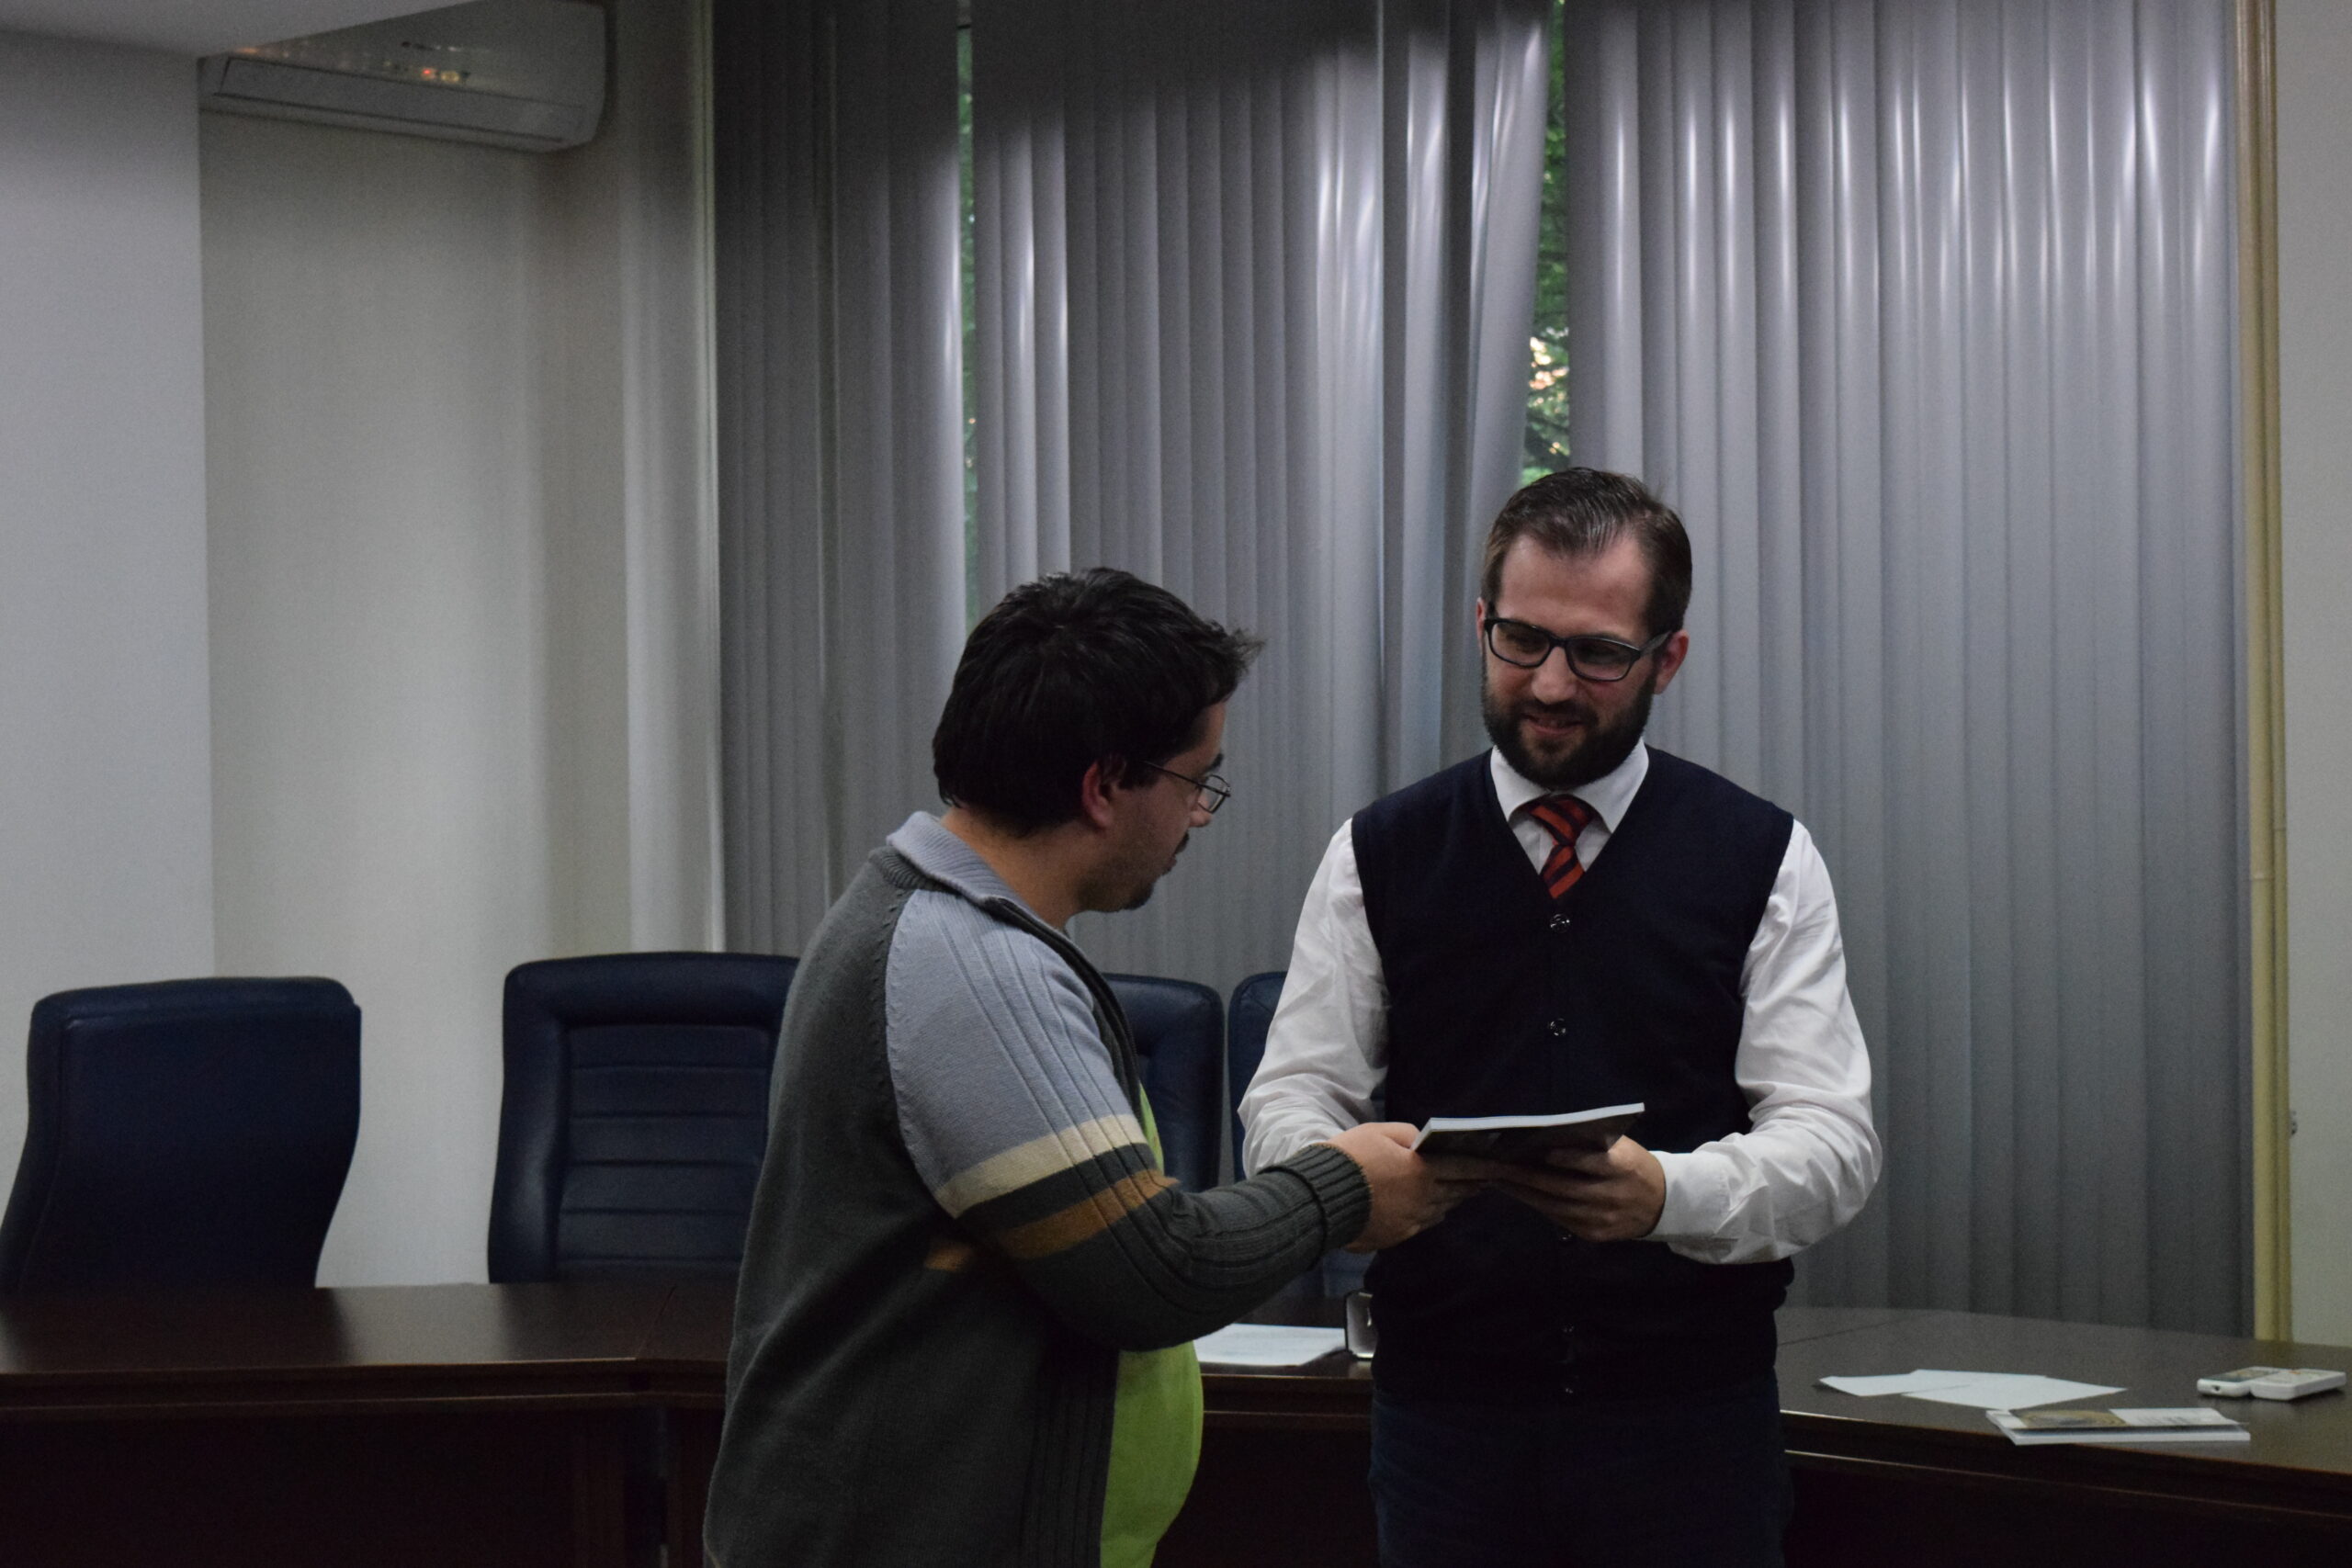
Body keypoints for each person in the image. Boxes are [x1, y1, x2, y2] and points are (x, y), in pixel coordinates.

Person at [705, 567, 1453, 1568]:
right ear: (1104, 786)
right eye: (1195, 782)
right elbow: (1152, 1272)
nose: (1198, 816)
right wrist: (1342, 1187)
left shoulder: (935, 927)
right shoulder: (970, 967)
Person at [1240, 468, 1883, 1567]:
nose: (1547, 684)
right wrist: (1343, 1182)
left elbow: (1832, 1142)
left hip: (1687, 1431)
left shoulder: (1763, 855)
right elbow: (1291, 1097)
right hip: (1444, 1428)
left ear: (1666, 659)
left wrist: (1666, 1195)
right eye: (1521, 641)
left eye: (1596, 653)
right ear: (1480, 624)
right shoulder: (1378, 852)